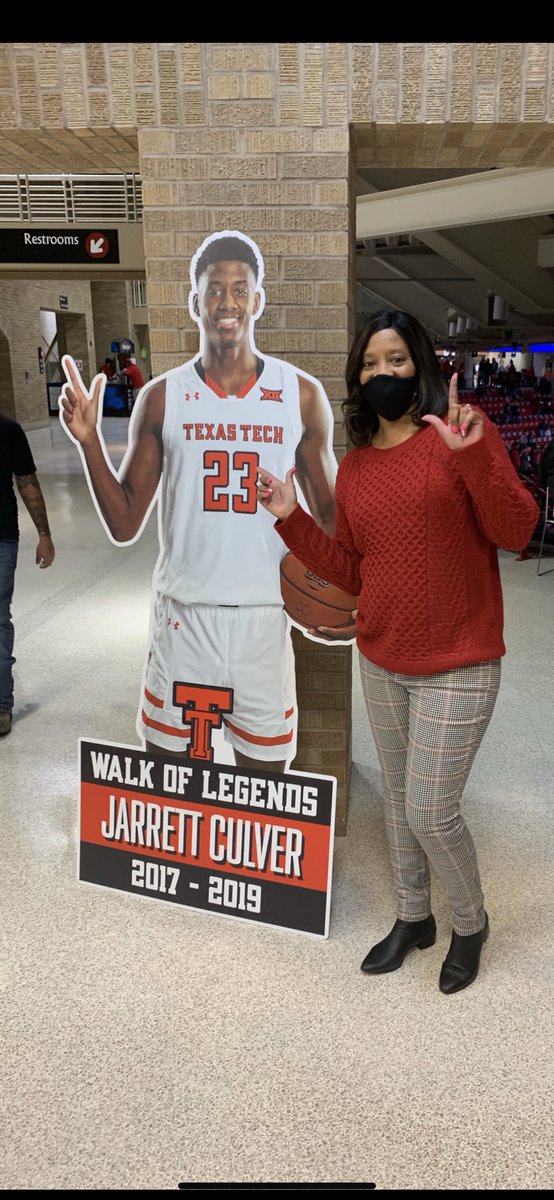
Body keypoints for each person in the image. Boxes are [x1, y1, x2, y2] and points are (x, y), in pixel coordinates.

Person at [257, 308, 539, 994]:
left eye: (397, 360)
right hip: (382, 659)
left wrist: (474, 456)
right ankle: (414, 917)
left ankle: (469, 923)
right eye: (371, 363)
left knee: (429, 809)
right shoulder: (354, 470)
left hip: (461, 661)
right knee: (398, 803)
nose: (384, 373)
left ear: (423, 366)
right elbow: (354, 571)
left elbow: (518, 531)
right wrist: (291, 517)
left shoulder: (462, 437)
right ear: (358, 378)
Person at [60, 231, 343, 773]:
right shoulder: (162, 396)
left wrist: (359, 592)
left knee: (263, 787)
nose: (227, 303)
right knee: (171, 781)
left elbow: (331, 518)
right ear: (196, 301)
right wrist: (90, 441)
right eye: (215, 290)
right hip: (184, 617)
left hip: (265, 614)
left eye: (240, 289)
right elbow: (123, 523)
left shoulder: (300, 394)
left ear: (257, 300)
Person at [0, 413, 55, 736]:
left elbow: (27, 483)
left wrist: (44, 535)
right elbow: (28, 485)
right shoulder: (9, 429)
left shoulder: (8, 431)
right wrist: (44, 535)